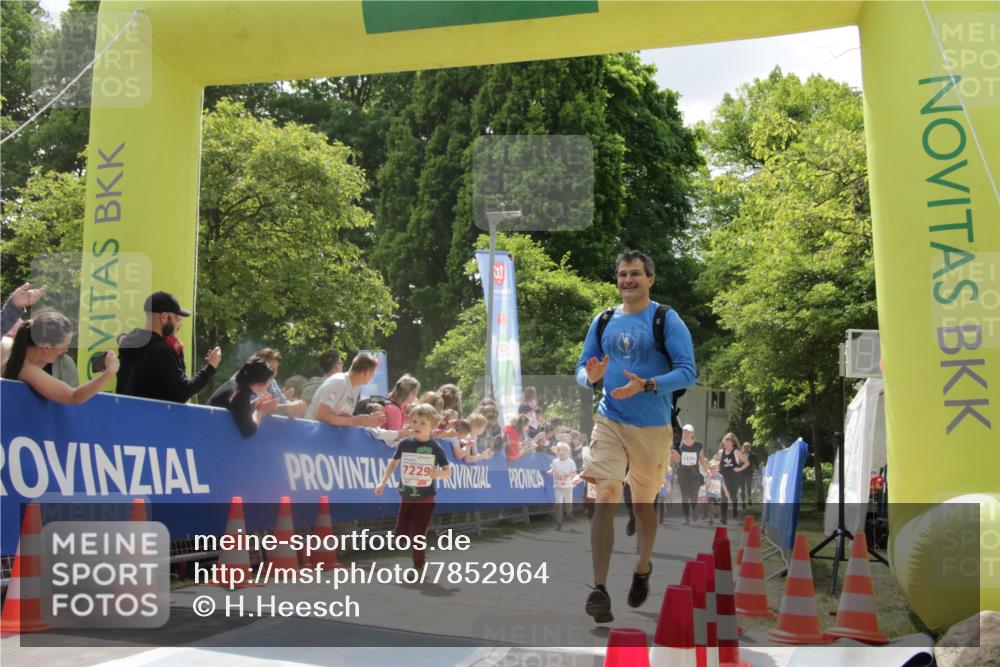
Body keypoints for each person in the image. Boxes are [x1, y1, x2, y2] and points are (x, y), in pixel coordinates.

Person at [575, 249, 696, 623]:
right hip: (609, 419)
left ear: (650, 279)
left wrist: (648, 385)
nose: (628, 280)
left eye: (635, 274)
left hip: (652, 429)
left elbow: (688, 372)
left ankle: (642, 568)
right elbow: (582, 369)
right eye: (623, 274)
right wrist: (590, 378)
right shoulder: (604, 319)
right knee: (607, 493)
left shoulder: (666, 319)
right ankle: (599, 589)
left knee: (643, 507)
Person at [375, 403, 452, 569]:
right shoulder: (405, 444)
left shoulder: (435, 448)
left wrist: (437, 474)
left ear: (433, 426)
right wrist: (383, 482)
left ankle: (419, 565)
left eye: (423, 423)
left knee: (418, 534)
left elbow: (448, 471)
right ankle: (407, 539)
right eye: (414, 421)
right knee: (401, 535)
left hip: (426, 498)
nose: (417, 425)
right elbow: (393, 463)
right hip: (406, 495)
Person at [116, 292, 221, 403]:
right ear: (164, 317)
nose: (178, 325)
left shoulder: (129, 342)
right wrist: (211, 367)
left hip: (124, 415)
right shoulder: (161, 350)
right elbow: (182, 392)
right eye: (176, 318)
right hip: (150, 418)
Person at [2, 309, 118, 403]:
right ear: (46, 347)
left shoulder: (6, 344)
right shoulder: (26, 369)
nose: (66, 350)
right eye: (64, 346)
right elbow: (74, 396)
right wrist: (109, 372)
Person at [306, 352, 384, 427]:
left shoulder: (355, 387)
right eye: (372, 374)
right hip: (312, 435)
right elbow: (322, 416)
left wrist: (367, 420)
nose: (372, 377)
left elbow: (344, 418)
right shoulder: (339, 382)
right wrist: (354, 421)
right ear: (366, 373)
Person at [209, 357, 279, 437]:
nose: (270, 384)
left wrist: (253, 405)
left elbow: (238, 409)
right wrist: (259, 411)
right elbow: (249, 431)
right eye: (269, 381)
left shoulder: (235, 384)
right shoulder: (241, 394)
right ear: (259, 383)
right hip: (211, 434)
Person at [675, 424, 710, 525]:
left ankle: (694, 512)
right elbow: (677, 458)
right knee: (685, 497)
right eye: (684, 432)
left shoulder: (698, 445)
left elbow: (702, 459)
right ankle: (687, 519)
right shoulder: (679, 445)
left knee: (694, 496)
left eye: (687, 432)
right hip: (683, 475)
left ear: (692, 433)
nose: (685, 433)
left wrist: (707, 471)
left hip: (695, 475)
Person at [718, 432, 749, 522]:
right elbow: (720, 464)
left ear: (732, 443)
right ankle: (723, 516)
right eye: (725, 441)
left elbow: (747, 463)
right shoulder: (720, 452)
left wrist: (739, 469)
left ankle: (735, 507)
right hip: (723, 476)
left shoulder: (737, 452)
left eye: (728, 441)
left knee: (732, 495)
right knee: (724, 495)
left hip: (734, 477)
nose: (726, 443)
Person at [548, 443, 579, 530]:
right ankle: (558, 523)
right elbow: (553, 469)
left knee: (568, 504)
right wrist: (551, 471)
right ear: (556, 452)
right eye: (559, 450)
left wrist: (568, 475)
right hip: (557, 486)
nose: (561, 452)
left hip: (568, 487)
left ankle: (569, 513)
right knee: (558, 504)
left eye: (563, 450)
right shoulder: (554, 461)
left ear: (567, 452)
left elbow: (574, 472)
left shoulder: (570, 462)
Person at [740, 442, 758, 508]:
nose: (746, 448)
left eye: (747, 447)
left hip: (749, 473)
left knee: (748, 486)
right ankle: (743, 502)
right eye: (745, 447)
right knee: (742, 488)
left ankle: (749, 498)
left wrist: (757, 469)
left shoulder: (753, 455)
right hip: (741, 473)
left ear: (749, 448)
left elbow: (756, 464)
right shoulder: (740, 454)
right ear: (743, 447)